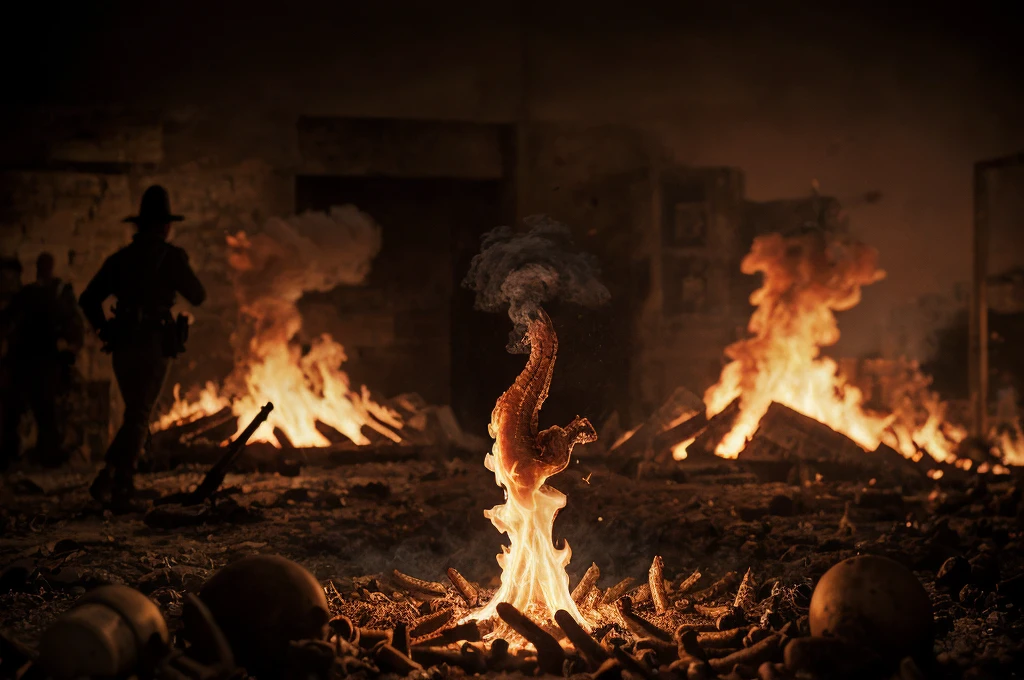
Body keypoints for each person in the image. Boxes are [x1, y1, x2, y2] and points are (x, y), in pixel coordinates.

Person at [79, 185, 206, 511]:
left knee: (134, 411)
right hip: (152, 344)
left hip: (123, 345)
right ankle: (120, 485)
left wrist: (105, 330)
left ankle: (110, 476)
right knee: (138, 414)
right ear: (164, 225)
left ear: (139, 224)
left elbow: (88, 298)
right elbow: (198, 295)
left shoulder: (119, 260)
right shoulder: (171, 257)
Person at [1, 252, 84, 469]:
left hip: (47, 360)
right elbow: (10, 318)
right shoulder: (29, 294)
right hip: (27, 359)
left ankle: (48, 454)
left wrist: (70, 346)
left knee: (45, 409)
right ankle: (13, 453)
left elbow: (74, 324)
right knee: (17, 408)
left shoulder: (59, 293)